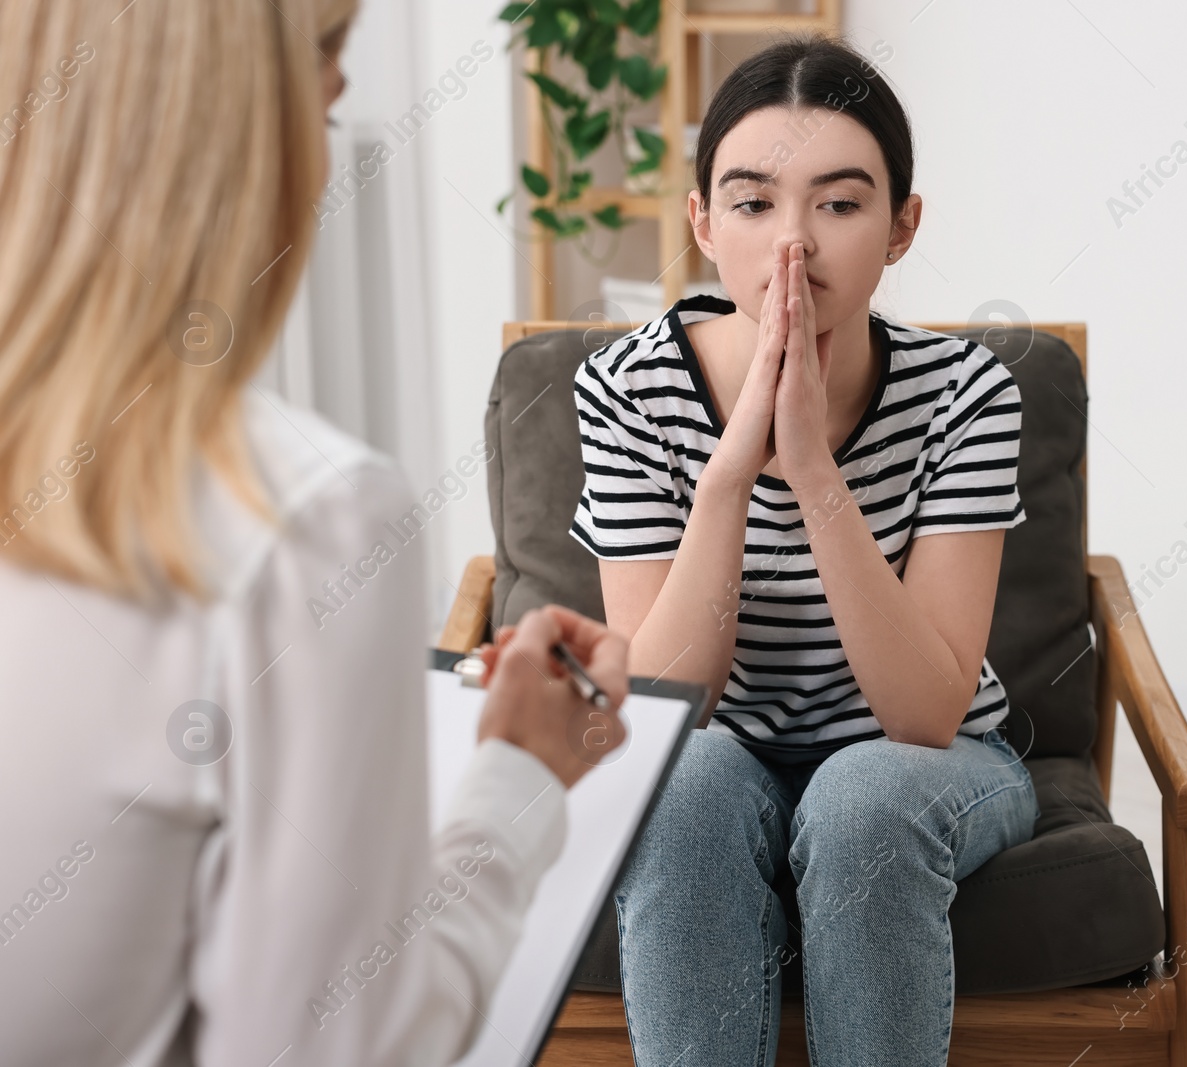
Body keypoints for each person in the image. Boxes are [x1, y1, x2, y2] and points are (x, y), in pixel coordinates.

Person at [0, 2, 627, 1064]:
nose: (340, 92)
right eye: (327, 60)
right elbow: (339, 1048)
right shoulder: (299, 519)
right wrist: (517, 778)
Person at [566, 33, 1041, 1067]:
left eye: (838, 203)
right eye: (751, 203)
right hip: (719, 748)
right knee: (676, 782)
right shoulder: (628, 389)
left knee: (863, 793)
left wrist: (818, 474)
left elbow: (923, 713)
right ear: (700, 223)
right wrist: (731, 472)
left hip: (935, 757)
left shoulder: (966, 394)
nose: (796, 244)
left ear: (902, 226)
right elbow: (663, 700)